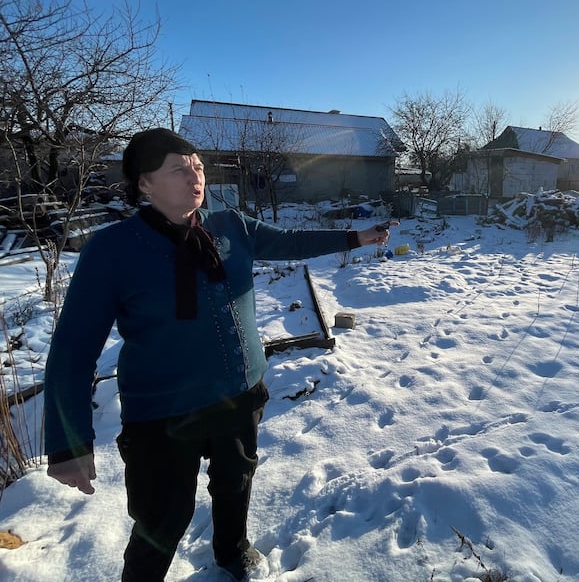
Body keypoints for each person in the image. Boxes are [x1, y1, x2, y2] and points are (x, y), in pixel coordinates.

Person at [44, 128, 393, 581]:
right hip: (163, 412)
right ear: (144, 184)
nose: (196, 178)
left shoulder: (229, 226)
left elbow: (288, 242)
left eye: (198, 167)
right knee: (162, 518)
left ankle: (233, 551)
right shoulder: (111, 251)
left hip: (238, 393)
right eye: (178, 169)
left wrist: (356, 238)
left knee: (236, 483)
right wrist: (69, 443)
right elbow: (72, 350)